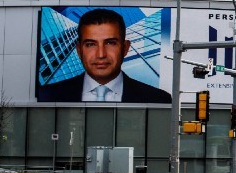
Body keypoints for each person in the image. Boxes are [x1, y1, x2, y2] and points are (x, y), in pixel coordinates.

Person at [38, 8, 171, 103]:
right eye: (91, 44)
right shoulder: (47, 96)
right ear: (79, 50)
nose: (101, 54)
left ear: (125, 48)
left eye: (110, 43)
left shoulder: (158, 100)